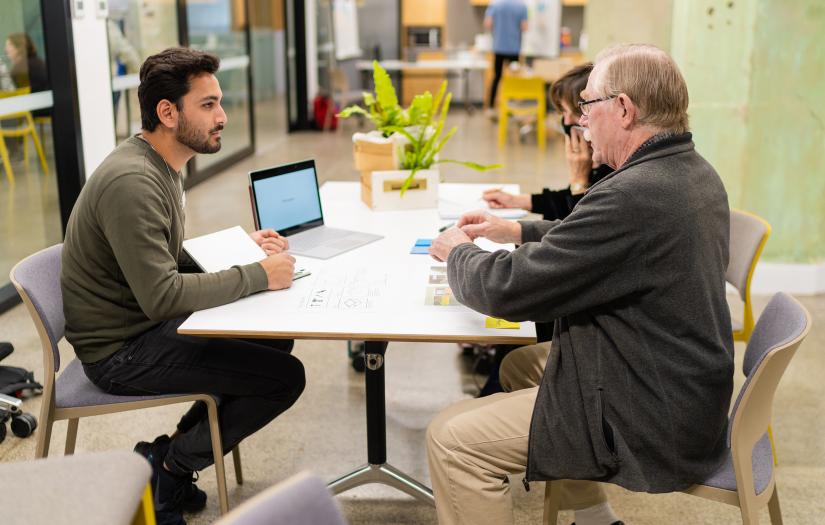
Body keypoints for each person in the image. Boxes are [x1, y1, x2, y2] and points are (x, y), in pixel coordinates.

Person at [426, 43, 734, 525]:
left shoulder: (635, 192)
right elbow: (603, 241)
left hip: (654, 414)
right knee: (521, 366)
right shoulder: (686, 170)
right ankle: (596, 519)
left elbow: (508, 291)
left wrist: (456, 252)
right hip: (683, 385)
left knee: (452, 440)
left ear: (625, 108)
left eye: (587, 106)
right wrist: (518, 230)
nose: (581, 122)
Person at [61, 48, 306, 525]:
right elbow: (163, 295)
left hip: (139, 324)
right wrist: (258, 275)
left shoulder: (159, 164)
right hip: (119, 352)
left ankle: (168, 458)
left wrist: (241, 248)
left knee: (276, 341)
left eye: (220, 102)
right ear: (167, 113)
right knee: (285, 378)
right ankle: (173, 466)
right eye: (209, 104)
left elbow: (160, 258)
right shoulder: (132, 181)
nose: (223, 116)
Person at [483, 63, 612, 221]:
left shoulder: (611, 167)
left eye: (574, 112)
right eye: (563, 112)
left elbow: (581, 230)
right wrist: (514, 201)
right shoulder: (597, 161)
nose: (566, 121)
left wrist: (579, 180)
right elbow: (566, 201)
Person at [485, 0, 528, 116]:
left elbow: (488, 23)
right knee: (513, 79)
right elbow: (524, 27)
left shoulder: (494, 4)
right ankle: (512, 108)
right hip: (514, 49)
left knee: (497, 77)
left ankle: (490, 107)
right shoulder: (521, 5)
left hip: (498, 47)